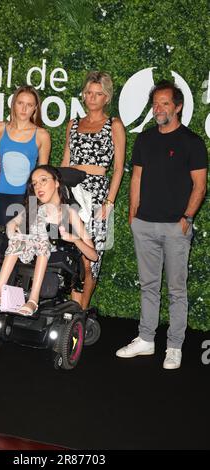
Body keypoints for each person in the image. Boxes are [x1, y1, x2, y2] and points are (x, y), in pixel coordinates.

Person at [116, 79, 208, 369]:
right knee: (149, 286)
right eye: (155, 103)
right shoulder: (144, 139)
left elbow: (200, 186)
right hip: (144, 224)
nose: (158, 108)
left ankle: (174, 346)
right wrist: (133, 216)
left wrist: (187, 218)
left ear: (178, 106)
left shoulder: (192, 142)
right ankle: (146, 339)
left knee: (177, 290)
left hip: (175, 228)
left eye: (165, 103)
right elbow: (137, 179)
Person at [0, 165, 98, 315]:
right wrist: (12, 231)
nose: (38, 187)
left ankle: (33, 300)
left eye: (43, 180)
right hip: (26, 250)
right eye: (35, 183)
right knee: (18, 239)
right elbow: (12, 223)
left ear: (57, 183)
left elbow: (93, 256)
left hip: (49, 251)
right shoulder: (32, 208)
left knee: (43, 241)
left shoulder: (68, 212)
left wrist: (75, 239)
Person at [61, 71, 126, 309]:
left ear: (107, 97)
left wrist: (109, 203)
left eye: (98, 94)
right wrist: (58, 196)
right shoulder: (73, 124)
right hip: (71, 193)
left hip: (98, 195)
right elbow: (64, 163)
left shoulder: (114, 124)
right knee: (71, 253)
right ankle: (71, 309)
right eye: (89, 92)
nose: (92, 97)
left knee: (91, 258)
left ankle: (81, 311)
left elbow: (118, 168)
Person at [0, 85, 51, 227]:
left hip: (28, 198)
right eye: (20, 103)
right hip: (2, 195)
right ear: (13, 104)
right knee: (1, 244)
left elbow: (44, 175)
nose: (24, 109)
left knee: (25, 244)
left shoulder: (42, 135)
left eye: (29, 105)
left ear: (35, 108)